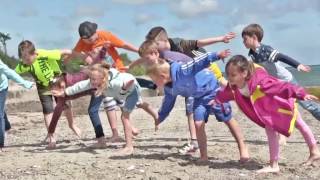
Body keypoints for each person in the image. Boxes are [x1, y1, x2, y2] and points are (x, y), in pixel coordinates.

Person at [141, 26, 243, 155]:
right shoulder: (161, 62)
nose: (154, 48)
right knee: (196, 117)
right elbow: (168, 101)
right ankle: (199, 148)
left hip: (205, 69)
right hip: (190, 86)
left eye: (156, 45)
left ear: (164, 40)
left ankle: (241, 95)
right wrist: (160, 117)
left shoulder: (176, 46)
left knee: (225, 91)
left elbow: (197, 48)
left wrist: (218, 48)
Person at [213, 55, 320, 173]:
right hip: (268, 109)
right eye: (228, 74)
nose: (229, 78)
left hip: (281, 103)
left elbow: (282, 86)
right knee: (278, 127)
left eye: (233, 75)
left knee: (299, 124)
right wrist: (216, 100)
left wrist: (302, 93)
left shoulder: (261, 81)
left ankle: (276, 164)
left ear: (244, 73)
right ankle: (313, 152)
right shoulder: (234, 85)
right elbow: (226, 93)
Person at [71, 21, 156, 146]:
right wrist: (84, 59)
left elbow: (123, 45)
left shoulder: (106, 36)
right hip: (102, 79)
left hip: (117, 72)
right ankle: (117, 133)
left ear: (96, 32)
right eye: (85, 40)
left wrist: (140, 52)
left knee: (135, 101)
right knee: (109, 103)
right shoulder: (82, 42)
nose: (88, 42)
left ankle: (153, 114)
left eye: (90, 38)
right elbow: (74, 53)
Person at [53, 62, 145, 155]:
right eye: (91, 79)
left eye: (94, 79)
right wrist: (64, 93)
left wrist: (124, 88)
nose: (91, 81)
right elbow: (79, 86)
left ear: (103, 78)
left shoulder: (115, 83)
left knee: (124, 117)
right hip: (121, 92)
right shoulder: (94, 82)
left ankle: (129, 146)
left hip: (132, 92)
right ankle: (128, 137)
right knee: (122, 113)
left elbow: (128, 84)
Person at [241, 23, 320, 121]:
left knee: (308, 105)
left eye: (245, 39)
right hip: (276, 85)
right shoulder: (252, 55)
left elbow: (281, 57)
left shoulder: (265, 50)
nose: (243, 42)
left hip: (287, 81)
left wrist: (298, 65)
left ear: (254, 37)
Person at [15, 40, 81, 139]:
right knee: (47, 110)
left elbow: (65, 51)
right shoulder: (23, 64)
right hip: (42, 86)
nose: (26, 62)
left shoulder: (44, 54)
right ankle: (51, 135)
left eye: (28, 59)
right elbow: (11, 73)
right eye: (23, 59)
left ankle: (72, 125)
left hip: (57, 81)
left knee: (66, 105)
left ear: (34, 53)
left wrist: (82, 56)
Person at [0, 59, 33, 151]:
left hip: (1, 87)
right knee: (1, 110)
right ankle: (6, 126)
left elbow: (10, 72)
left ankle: (0, 144)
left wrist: (25, 83)